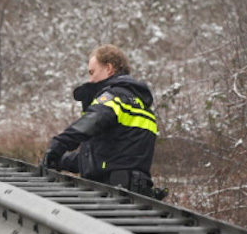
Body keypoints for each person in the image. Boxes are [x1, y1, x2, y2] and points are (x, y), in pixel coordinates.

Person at [43, 45, 163, 197]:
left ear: (109, 68)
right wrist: (62, 162)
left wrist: (58, 146)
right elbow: (106, 156)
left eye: (92, 72)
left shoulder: (115, 98)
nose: (90, 79)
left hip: (112, 195)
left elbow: (90, 123)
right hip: (135, 194)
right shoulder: (142, 106)